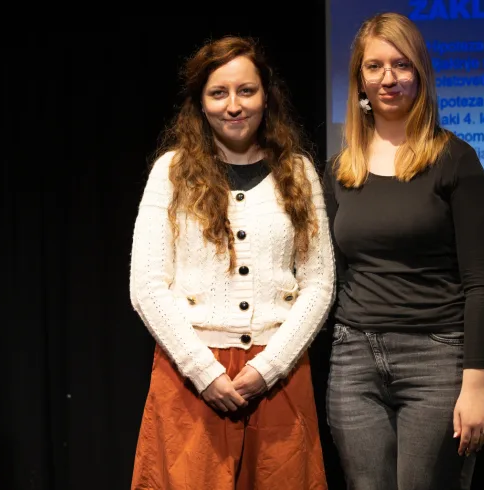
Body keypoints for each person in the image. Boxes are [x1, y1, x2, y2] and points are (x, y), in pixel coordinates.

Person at [129, 35, 334, 490]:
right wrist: (204, 371)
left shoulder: (297, 172)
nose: (233, 105)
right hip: (190, 375)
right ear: (201, 103)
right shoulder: (171, 172)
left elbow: (319, 283)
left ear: (266, 96)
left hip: (277, 374)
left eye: (246, 91)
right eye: (218, 93)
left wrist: (268, 368)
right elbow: (147, 285)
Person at [323, 12, 484, 490]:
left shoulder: (455, 160)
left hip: (436, 358)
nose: (388, 78)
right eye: (374, 66)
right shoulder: (340, 169)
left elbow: (481, 284)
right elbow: (333, 273)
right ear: (360, 79)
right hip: (354, 358)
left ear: (420, 74)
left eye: (401, 65)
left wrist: (477, 386)